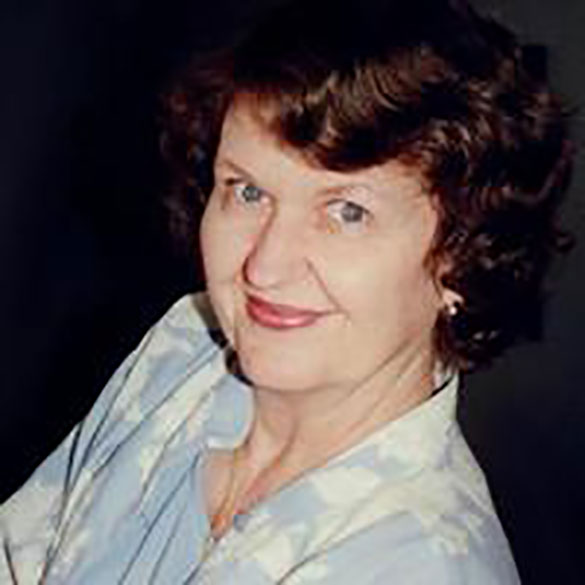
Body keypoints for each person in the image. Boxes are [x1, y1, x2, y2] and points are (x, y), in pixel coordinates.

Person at [0, 0, 572, 582]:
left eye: (347, 212)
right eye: (247, 192)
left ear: (462, 256)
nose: (265, 267)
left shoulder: (420, 565)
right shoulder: (188, 349)